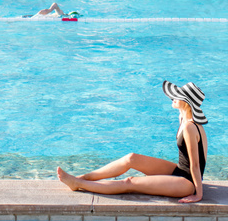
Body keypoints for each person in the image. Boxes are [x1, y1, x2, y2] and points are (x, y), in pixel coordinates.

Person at [57, 81, 207, 204]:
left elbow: (195, 165)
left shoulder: (189, 127)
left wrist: (198, 193)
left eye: (178, 96)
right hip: (180, 170)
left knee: (130, 182)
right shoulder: (183, 119)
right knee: (131, 158)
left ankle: (79, 184)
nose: (173, 98)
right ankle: (83, 177)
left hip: (187, 183)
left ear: (187, 103)